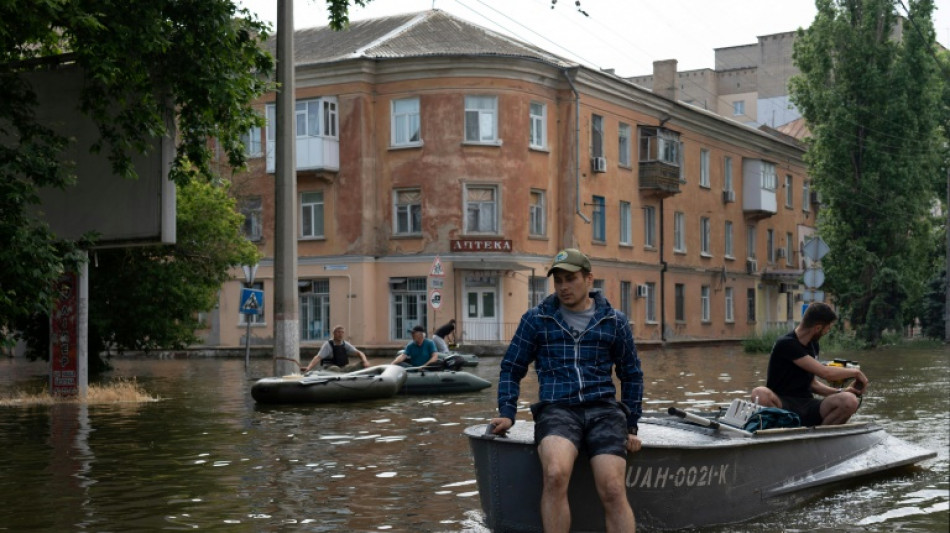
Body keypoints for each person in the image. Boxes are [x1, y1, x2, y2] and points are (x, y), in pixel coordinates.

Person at [489, 248, 643, 533]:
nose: (563, 287)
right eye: (558, 280)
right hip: (557, 409)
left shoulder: (614, 321)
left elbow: (631, 374)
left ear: (588, 279)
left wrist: (632, 425)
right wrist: (508, 413)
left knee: (611, 487)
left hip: (604, 411)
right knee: (556, 474)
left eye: (570, 279)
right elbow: (512, 367)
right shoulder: (536, 320)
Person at [750, 302, 868, 426]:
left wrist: (841, 391)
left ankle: (820, 437)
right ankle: (780, 430)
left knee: (849, 400)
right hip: (781, 404)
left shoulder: (813, 345)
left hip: (807, 404)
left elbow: (812, 384)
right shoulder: (786, 344)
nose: (828, 331)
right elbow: (825, 372)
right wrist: (856, 372)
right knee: (760, 393)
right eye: (828, 327)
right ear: (818, 328)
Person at [302, 325, 370, 373]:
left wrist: (365, 361)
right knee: (336, 369)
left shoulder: (345, 344)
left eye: (342, 332)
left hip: (343, 368)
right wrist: (309, 367)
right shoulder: (328, 345)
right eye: (338, 332)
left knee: (361, 364)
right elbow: (318, 357)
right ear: (334, 333)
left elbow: (359, 353)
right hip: (330, 368)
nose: (340, 334)